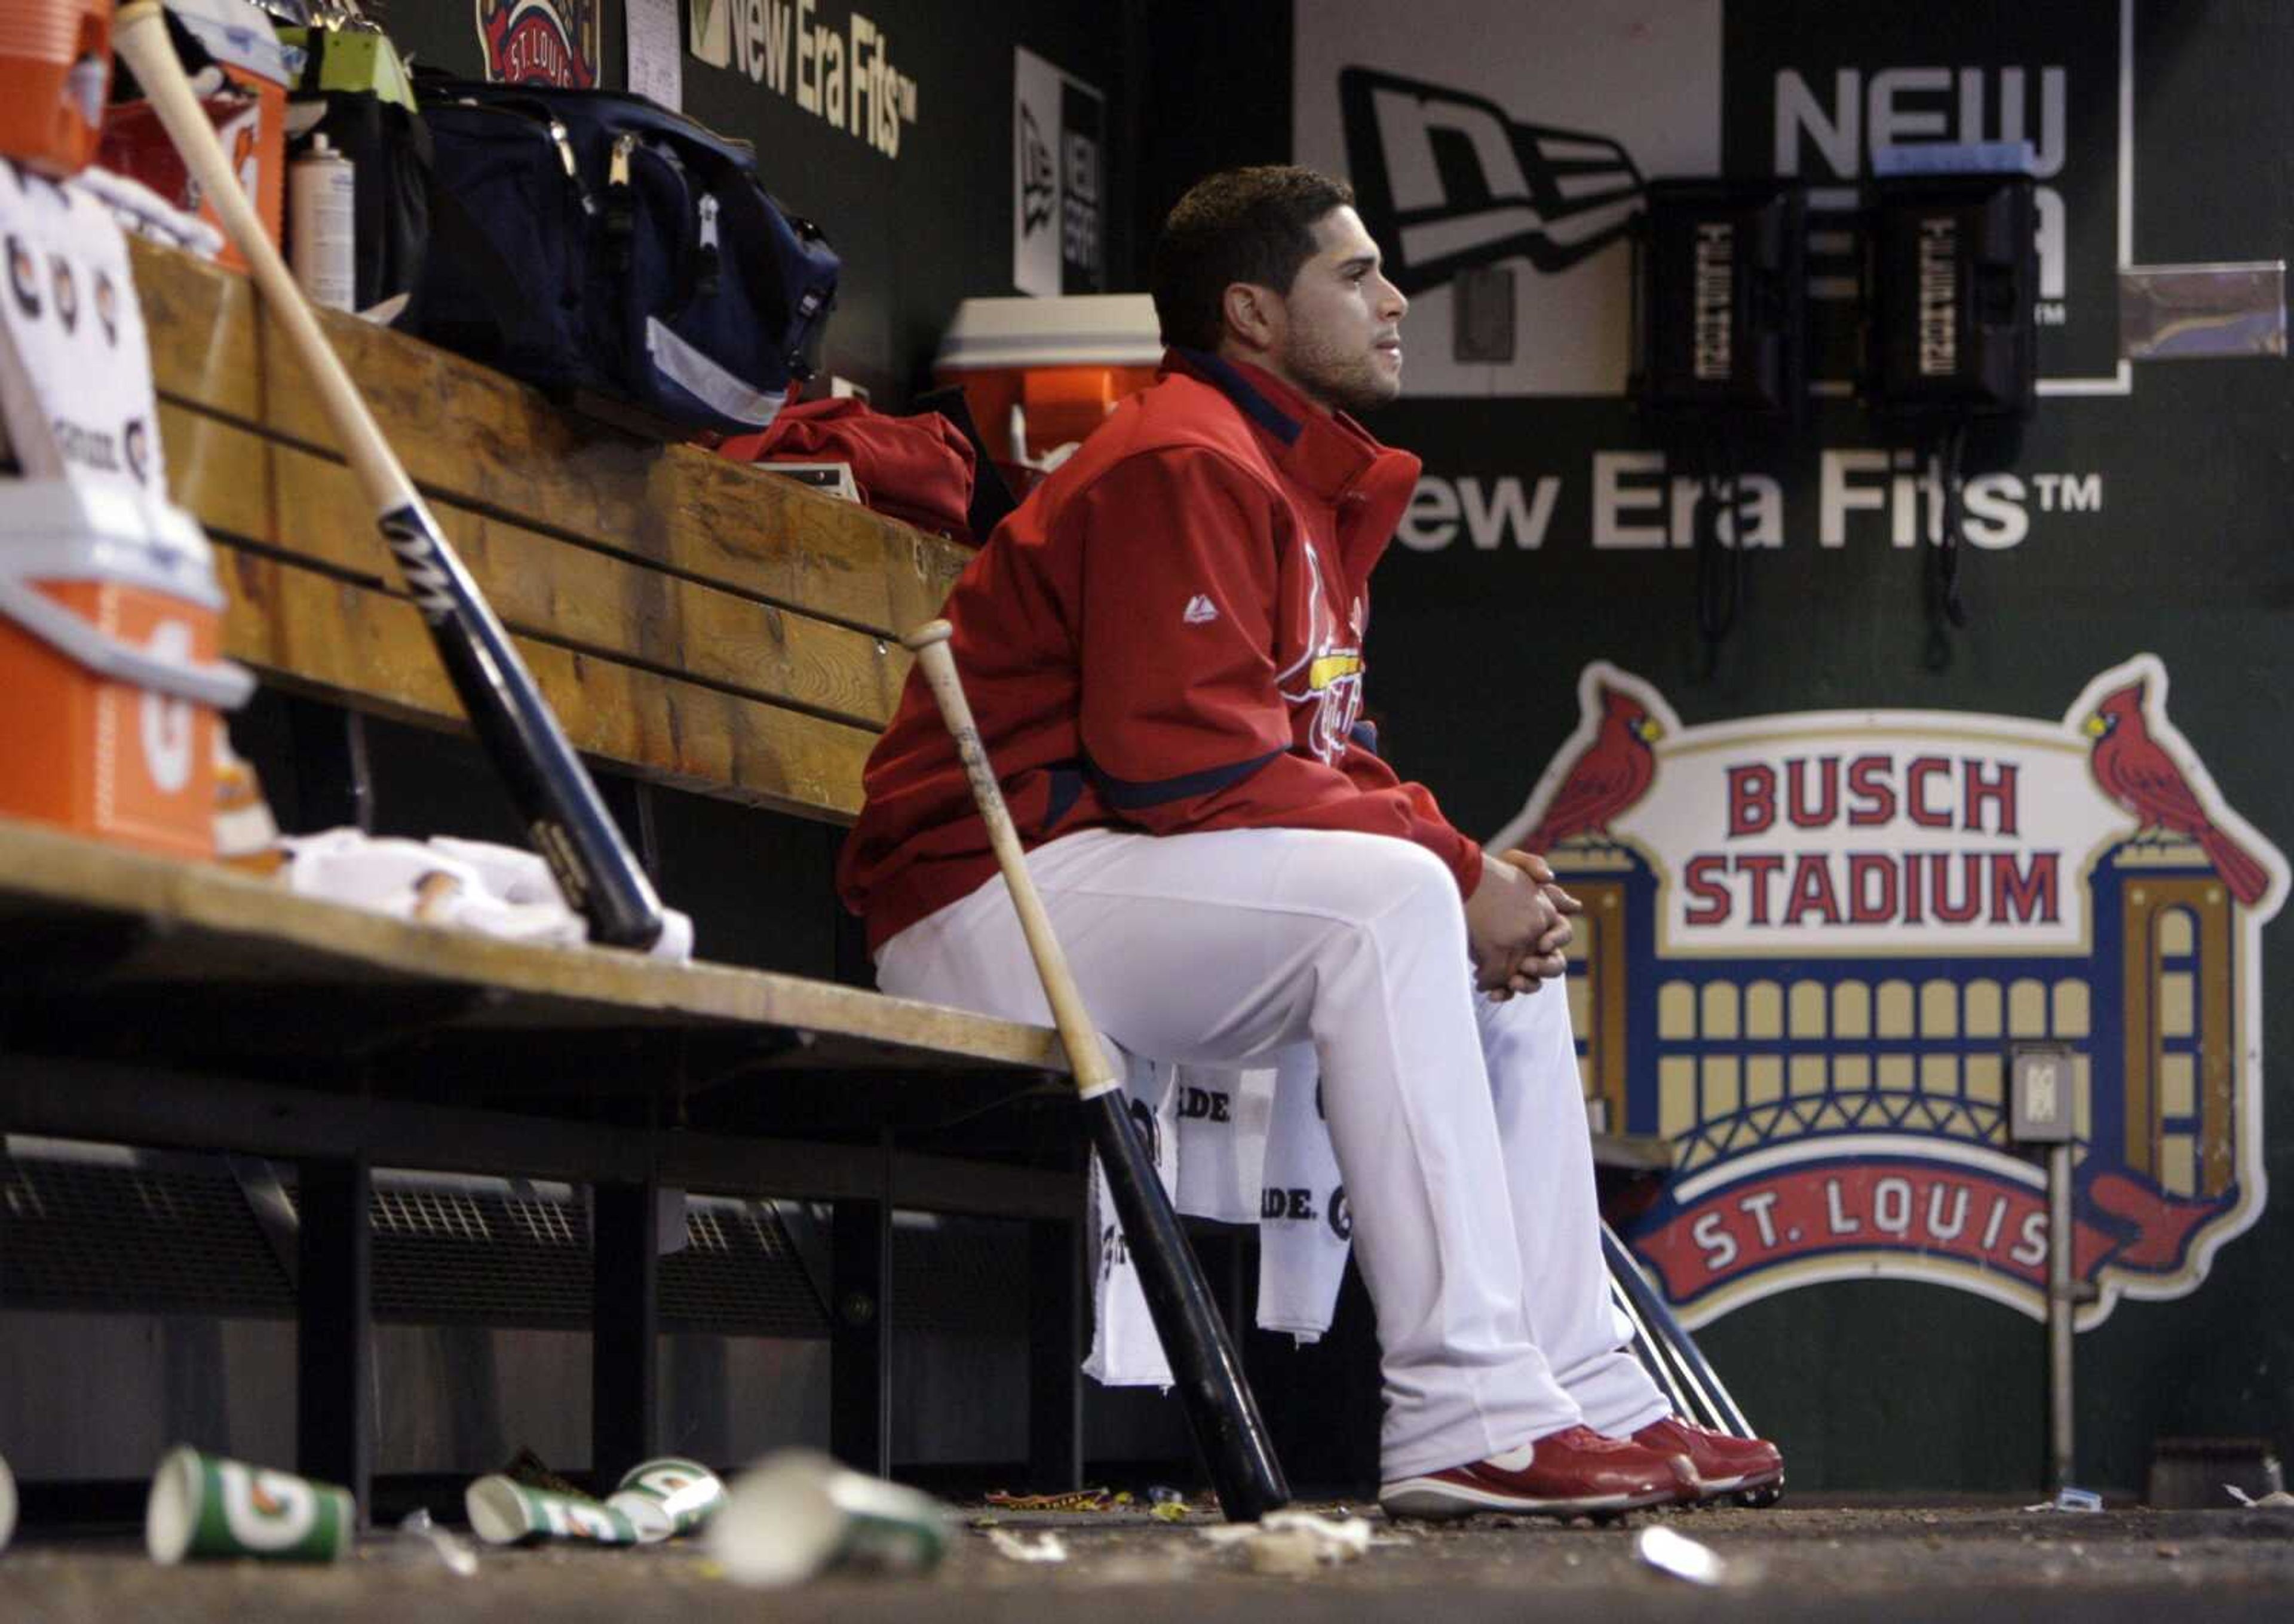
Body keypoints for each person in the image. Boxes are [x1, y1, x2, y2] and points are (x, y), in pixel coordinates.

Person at [836, 165, 1782, 1518]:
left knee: (1480, 932)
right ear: (1253, 314)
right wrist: (1447, 874)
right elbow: (1191, 765)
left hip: (1099, 873)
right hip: (983, 896)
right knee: (1405, 902)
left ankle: (1576, 1385)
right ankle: (1466, 1412)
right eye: (1356, 275)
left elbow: (1313, 758)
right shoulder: (1184, 456)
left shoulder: (1281, 470)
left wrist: (1476, 873)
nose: (1396, 299)